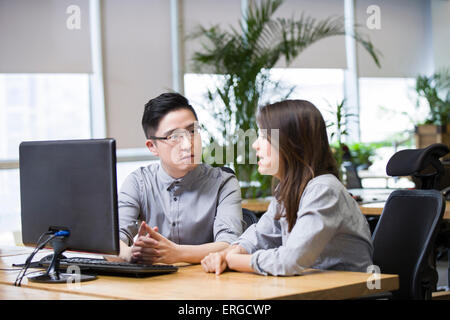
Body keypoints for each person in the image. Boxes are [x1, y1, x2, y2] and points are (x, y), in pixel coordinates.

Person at [201, 99, 374, 276]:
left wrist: (232, 260)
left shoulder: (324, 189)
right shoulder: (288, 190)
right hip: (309, 289)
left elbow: (289, 261)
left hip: (347, 292)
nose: (255, 145)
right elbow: (260, 236)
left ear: (291, 143)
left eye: (264, 137)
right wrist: (231, 252)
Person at [118, 92, 244, 264]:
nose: (188, 144)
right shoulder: (138, 182)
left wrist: (176, 253)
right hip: (151, 286)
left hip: (208, 283)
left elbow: (230, 245)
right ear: (152, 146)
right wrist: (130, 253)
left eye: (193, 131)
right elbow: (113, 242)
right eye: (174, 136)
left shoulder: (224, 182)